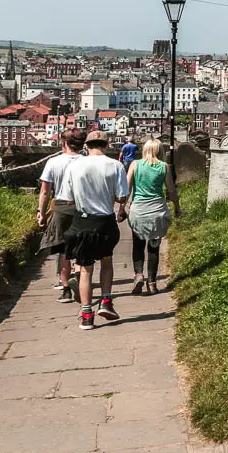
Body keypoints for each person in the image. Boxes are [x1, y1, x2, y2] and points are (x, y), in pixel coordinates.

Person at [56, 130, 129, 330]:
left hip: (82, 221)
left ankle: (87, 314)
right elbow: (121, 197)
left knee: (85, 269)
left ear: (86, 146)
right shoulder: (115, 165)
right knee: (106, 261)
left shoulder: (74, 165)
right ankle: (106, 301)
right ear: (106, 145)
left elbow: (67, 197)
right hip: (105, 221)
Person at [37, 129, 87, 303]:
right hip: (82, 208)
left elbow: (45, 191)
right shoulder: (87, 162)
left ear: (64, 143)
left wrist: (41, 213)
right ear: (82, 144)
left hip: (61, 207)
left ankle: (66, 289)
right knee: (81, 246)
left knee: (63, 250)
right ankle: (80, 278)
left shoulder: (53, 162)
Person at [125, 138, 179, 295]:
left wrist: (122, 207)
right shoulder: (164, 167)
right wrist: (177, 208)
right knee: (154, 248)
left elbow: (126, 189)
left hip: (139, 211)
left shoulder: (135, 165)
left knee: (138, 244)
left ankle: (138, 275)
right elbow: (171, 191)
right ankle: (152, 283)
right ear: (160, 150)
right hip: (157, 211)